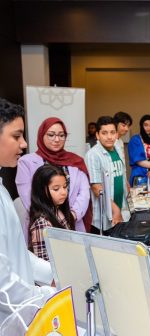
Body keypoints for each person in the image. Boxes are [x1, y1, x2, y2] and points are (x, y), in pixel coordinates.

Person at [0, 98, 53, 322]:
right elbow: (3, 286)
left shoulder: (2, 187)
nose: (23, 144)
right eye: (16, 136)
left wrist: (53, 274)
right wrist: (45, 296)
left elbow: (17, 254)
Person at [16, 117, 91, 242]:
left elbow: (84, 194)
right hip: (43, 226)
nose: (57, 139)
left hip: (73, 224)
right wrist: (53, 219)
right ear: (41, 135)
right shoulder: (26, 162)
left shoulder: (76, 161)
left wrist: (71, 216)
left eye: (61, 135)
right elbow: (28, 196)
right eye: (51, 135)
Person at [85, 116, 128, 234]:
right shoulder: (93, 154)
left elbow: (121, 174)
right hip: (106, 215)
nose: (109, 137)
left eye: (112, 132)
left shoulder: (118, 148)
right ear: (97, 135)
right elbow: (96, 187)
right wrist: (115, 210)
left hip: (122, 207)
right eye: (104, 133)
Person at [29, 164, 75, 261]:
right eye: (56, 189)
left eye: (65, 186)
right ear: (41, 191)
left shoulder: (59, 210)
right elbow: (44, 263)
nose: (63, 192)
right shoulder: (42, 224)